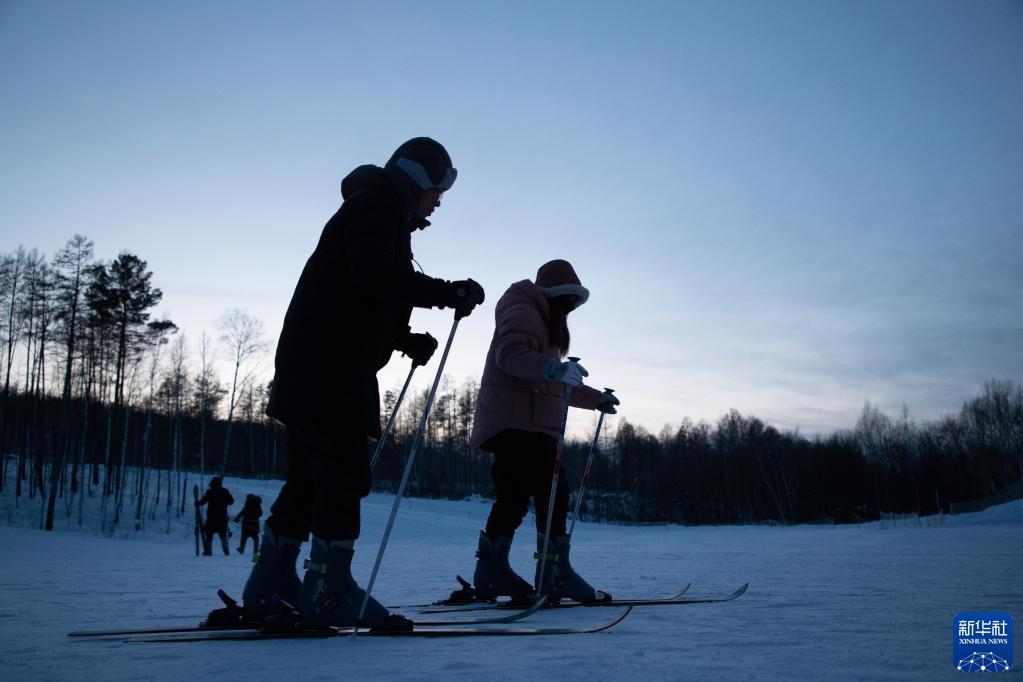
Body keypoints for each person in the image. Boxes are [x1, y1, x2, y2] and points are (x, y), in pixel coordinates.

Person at [241, 137, 485, 629]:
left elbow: (362, 292)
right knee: (344, 473)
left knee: (310, 479)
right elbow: (375, 276)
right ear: (417, 179)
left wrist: (404, 337)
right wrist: (445, 293)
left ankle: (272, 582)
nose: (438, 202)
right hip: (329, 369)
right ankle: (329, 589)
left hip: (314, 365)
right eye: (438, 190)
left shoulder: (378, 215)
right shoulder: (378, 208)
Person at [468, 259, 620, 603]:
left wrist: (595, 399)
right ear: (552, 295)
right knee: (554, 490)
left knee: (514, 497)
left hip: (520, 423)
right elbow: (511, 355)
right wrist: (553, 368)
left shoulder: (544, 325)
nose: (568, 310)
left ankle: (492, 573)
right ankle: (553, 573)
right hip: (518, 423)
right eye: (566, 303)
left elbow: (555, 384)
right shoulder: (523, 310)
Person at [196, 477, 234, 556]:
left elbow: (204, 501)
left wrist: (198, 503)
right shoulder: (225, 491)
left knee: (209, 535)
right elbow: (231, 501)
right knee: (223, 535)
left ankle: (208, 552)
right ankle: (226, 552)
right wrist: (224, 503)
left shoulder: (210, 491)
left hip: (212, 517)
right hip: (222, 517)